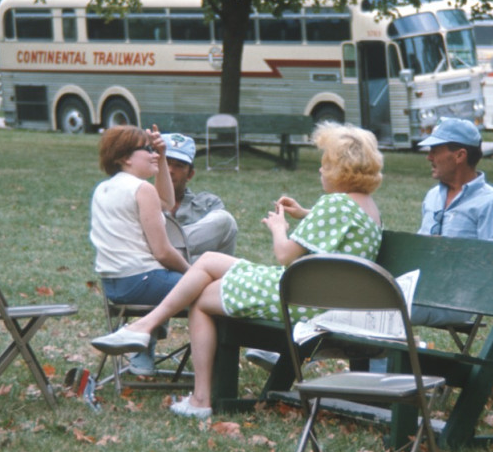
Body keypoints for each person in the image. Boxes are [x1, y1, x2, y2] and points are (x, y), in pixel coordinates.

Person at [91, 122, 385, 420]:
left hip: (302, 300)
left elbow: (284, 255)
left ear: (341, 169)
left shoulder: (333, 204)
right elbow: (343, 225)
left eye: (325, 164)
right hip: (325, 297)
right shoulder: (367, 207)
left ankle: (198, 394)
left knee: (203, 294)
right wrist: (305, 214)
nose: (321, 171)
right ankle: (147, 333)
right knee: (207, 262)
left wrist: (279, 227)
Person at [90, 125, 191, 375]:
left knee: (179, 284)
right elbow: (163, 253)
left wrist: (163, 154)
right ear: (125, 157)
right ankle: (213, 371)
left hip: (114, 286)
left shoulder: (103, 188)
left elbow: (166, 203)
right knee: (209, 291)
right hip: (143, 281)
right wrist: (195, 273)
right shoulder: (141, 189)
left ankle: (143, 350)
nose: (155, 155)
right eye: (149, 150)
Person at [414, 117, 493, 327]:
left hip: (457, 300)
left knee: (385, 308)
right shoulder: (433, 196)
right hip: (421, 290)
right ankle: (383, 361)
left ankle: (386, 361)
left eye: (435, 150)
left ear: (460, 155)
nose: (429, 157)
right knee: (369, 300)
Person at [161, 131, 238, 259]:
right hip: (151, 270)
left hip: (195, 271)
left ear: (190, 174)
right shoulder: (140, 198)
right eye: (166, 163)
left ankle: (165, 248)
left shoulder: (208, 204)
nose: (170, 170)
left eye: (179, 166)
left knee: (225, 220)